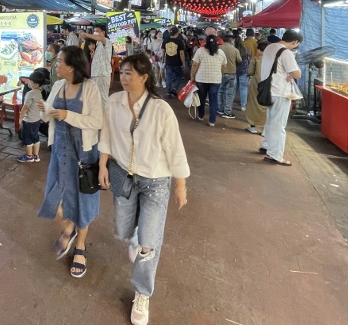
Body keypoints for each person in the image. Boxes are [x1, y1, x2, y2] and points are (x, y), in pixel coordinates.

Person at [98, 54, 189, 325]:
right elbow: (106, 135)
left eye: (129, 74)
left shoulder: (161, 110)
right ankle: (138, 237)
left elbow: (175, 148)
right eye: (122, 73)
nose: (123, 78)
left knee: (149, 243)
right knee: (124, 231)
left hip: (155, 182)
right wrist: (103, 165)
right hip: (124, 177)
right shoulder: (114, 102)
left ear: (144, 78)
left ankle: (142, 293)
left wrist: (180, 184)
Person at [38, 46, 104, 278]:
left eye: (60, 61)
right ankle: (68, 229)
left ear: (72, 67)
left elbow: (97, 120)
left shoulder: (90, 88)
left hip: (84, 156)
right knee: (53, 199)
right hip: (60, 153)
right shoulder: (57, 86)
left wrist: (68, 116)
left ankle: (80, 247)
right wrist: (46, 111)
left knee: (82, 202)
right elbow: (50, 117)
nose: (56, 65)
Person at [259, 29, 303, 166]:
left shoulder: (270, 47)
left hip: (269, 89)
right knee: (279, 125)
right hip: (280, 91)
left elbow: (276, 68)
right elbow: (297, 74)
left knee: (271, 120)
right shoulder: (286, 52)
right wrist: (292, 74)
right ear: (295, 42)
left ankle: (266, 145)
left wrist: (286, 74)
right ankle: (275, 155)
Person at [190, 35, 227, 127]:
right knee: (213, 100)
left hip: (201, 79)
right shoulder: (221, 52)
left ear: (205, 42)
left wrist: (192, 77)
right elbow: (224, 66)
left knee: (201, 98)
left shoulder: (200, 51)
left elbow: (195, 65)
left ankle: (201, 115)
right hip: (216, 79)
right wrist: (220, 74)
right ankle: (212, 121)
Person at [17, 71, 46, 163]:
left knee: (27, 138)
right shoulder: (40, 93)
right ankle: (36, 155)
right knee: (35, 137)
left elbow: (25, 107)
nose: (28, 83)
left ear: (36, 84)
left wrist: (21, 118)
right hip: (37, 119)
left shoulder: (30, 93)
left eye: (30, 81)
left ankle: (29, 156)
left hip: (29, 120)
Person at [80, 24, 112, 103]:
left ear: (103, 32)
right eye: (94, 31)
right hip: (96, 73)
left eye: (97, 31)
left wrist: (86, 34)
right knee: (97, 97)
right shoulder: (97, 44)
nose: (95, 33)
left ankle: (105, 115)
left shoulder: (106, 41)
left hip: (102, 73)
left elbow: (100, 38)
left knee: (103, 98)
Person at [245, 40, 269, 134]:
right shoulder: (274, 59)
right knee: (267, 105)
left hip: (256, 84)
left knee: (254, 104)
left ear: (259, 48)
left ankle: (253, 126)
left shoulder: (256, 58)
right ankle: (265, 129)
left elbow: (250, 71)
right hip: (269, 84)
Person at [218, 34, 242, 119]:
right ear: (231, 41)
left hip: (219, 73)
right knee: (230, 93)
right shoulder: (235, 50)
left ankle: (220, 108)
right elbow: (239, 60)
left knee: (220, 91)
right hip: (231, 73)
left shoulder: (218, 48)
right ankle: (227, 111)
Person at [163, 27, 186, 98]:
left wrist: (163, 59)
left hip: (168, 62)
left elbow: (163, 51)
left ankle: (168, 92)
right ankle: (174, 89)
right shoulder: (179, 41)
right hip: (177, 62)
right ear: (177, 33)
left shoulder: (165, 40)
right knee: (178, 76)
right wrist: (183, 63)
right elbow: (181, 53)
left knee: (168, 77)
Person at [236, 40, 251, 114]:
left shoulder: (234, 50)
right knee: (244, 88)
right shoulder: (246, 50)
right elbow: (249, 60)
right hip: (244, 71)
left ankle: (228, 104)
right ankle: (243, 106)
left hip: (234, 70)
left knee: (234, 88)